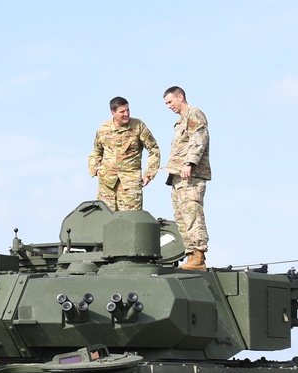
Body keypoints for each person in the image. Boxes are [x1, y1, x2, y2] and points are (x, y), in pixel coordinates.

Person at [162, 86, 211, 270]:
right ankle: (191, 256)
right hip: (178, 177)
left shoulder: (194, 114)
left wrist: (189, 163)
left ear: (180, 97)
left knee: (192, 214)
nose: (168, 106)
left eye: (170, 102)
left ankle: (198, 256)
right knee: (181, 217)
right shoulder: (180, 121)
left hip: (191, 175)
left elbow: (199, 139)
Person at [88, 96, 160, 211]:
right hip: (106, 184)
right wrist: (95, 169)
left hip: (130, 184)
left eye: (128, 110)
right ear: (113, 112)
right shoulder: (104, 128)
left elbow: (154, 149)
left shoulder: (138, 126)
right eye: (122, 111)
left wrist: (149, 174)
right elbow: (96, 151)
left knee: (130, 221)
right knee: (105, 220)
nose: (126, 114)